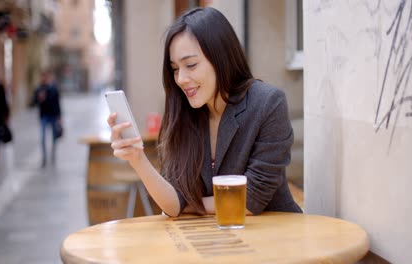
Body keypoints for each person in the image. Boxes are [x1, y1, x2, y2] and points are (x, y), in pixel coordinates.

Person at [108, 7, 302, 216]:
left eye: (191, 65)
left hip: (277, 236)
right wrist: (137, 159)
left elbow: (250, 200)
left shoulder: (267, 103)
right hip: (217, 240)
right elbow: (173, 204)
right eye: (175, 69)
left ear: (221, 58)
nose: (181, 78)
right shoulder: (184, 114)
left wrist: (190, 206)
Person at [32, 70, 62, 167]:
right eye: (43, 77)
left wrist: (59, 116)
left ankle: (53, 154)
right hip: (44, 116)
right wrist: (39, 99)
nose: (44, 79)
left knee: (54, 137)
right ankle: (44, 157)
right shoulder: (39, 89)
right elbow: (33, 102)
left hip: (53, 115)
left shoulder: (54, 88)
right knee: (43, 137)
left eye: (46, 77)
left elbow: (58, 103)